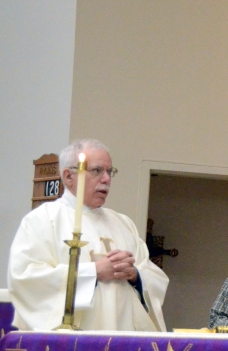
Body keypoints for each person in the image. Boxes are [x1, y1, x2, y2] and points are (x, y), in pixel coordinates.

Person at [8, 139, 168, 332]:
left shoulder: (123, 223)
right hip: (74, 346)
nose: (107, 179)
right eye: (97, 170)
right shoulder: (42, 220)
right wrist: (93, 272)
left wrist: (135, 275)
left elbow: (154, 277)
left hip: (123, 341)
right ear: (69, 176)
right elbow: (26, 280)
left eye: (110, 171)